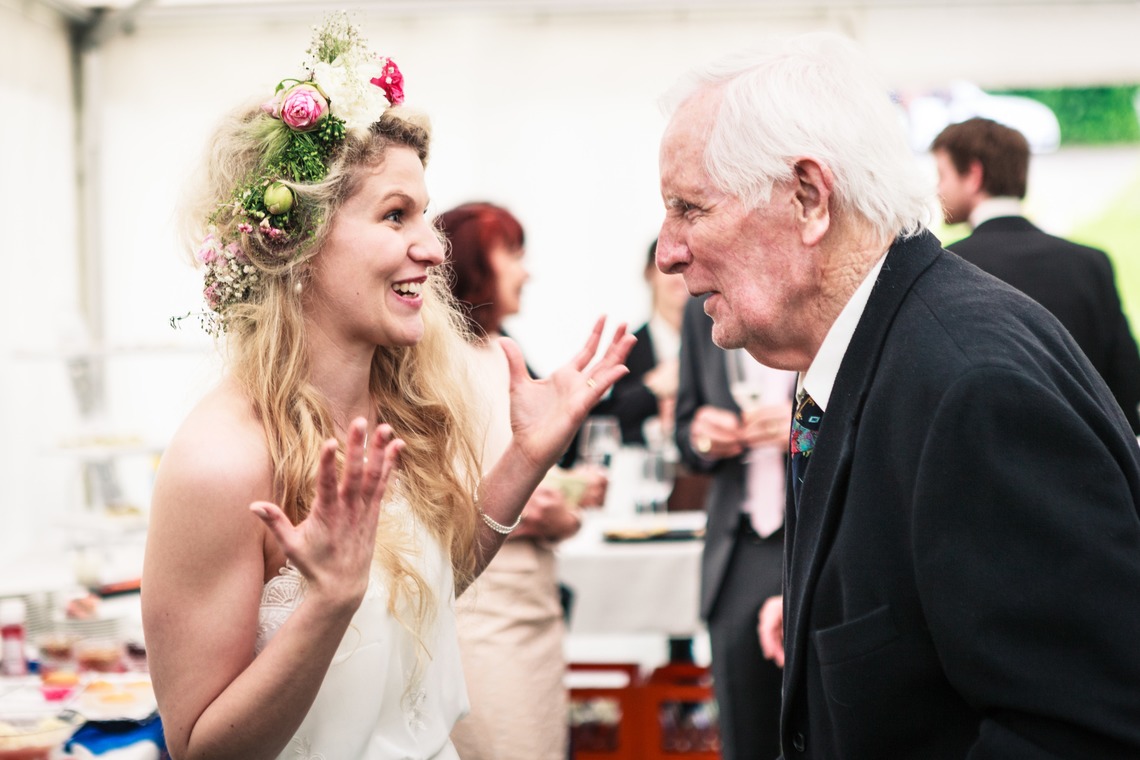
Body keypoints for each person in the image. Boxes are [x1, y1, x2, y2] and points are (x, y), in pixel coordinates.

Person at [140, 16, 633, 760]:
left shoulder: (396, 409)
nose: (433, 249)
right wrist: (326, 603)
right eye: (396, 214)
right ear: (298, 242)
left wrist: (526, 459)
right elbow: (201, 747)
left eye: (425, 216)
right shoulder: (223, 461)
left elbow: (423, 592)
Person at [656, 32, 1140, 759]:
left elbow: (1078, 729)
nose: (667, 250)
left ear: (809, 197)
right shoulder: (885, 349)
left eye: (690, 208)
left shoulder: (973, 390)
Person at [436, 201, 585, 760]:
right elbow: (433, 500)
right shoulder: (436, 365)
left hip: (534, 608)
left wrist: (565, 512)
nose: (526, 270)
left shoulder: (505, 354)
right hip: (481, 616)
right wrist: (527, 505)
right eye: (513, 254)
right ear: (475, 262)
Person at [931, 116, 1140, 433]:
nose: (937, 189)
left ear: (973, 174)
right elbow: (1125, 381)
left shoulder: (945, 267)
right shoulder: (1090, 262)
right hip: (1084, 460)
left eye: (941, 175)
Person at [674, 295, 795, 760]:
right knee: (744, 734)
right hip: (736, 548)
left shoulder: (813, 293)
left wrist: (801, 430)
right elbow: (686, 431)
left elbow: (863, 416)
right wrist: (702, 438)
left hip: (807, 534)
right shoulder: (699, 309)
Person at [592, 239, 691, 445]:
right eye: (671, 267)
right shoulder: (628, 348)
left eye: (689, 266)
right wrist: (652, 387)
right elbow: (605, 422)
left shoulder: (720, 349)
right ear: (649, 273)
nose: (680, 277)